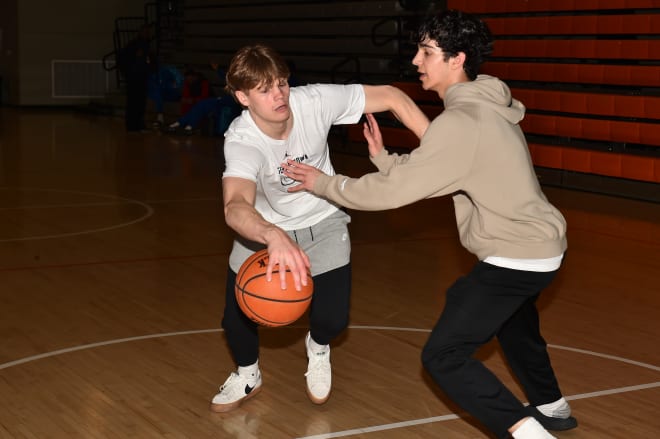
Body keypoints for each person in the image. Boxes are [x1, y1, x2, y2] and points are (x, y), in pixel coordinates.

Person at [282, 9, 577, 439]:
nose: (417, 62)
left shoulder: (463, 121)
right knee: (512, 321)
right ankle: (553, 405)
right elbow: (443, 170)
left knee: (444, 355)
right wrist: (385, 160)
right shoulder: (484, 105)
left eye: (427, 52)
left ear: (457, 59)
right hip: (540, 247)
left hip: (518, 253)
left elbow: (391, 193)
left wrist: (325, 183)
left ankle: (528, 432)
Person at [211, 44, 429, 413]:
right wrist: (271, 235)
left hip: (323, 218)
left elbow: (392, 96)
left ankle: (319, 346)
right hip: (266, 231)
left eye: (281, 82)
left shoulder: (314, 101)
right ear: (242, 97)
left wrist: (440, 148)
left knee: (333, 318)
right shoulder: (242, 139)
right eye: (264, 89)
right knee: (237, 317)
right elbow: (235, 206)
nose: (279, 94)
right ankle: (248, 374)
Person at [117, 24, 155, 132]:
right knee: (133, 102)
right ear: (140, 32)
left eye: (148, 32)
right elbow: (122, 59)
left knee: (141, 102)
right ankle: (132, 125)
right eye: (145, 32)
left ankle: (139, 124)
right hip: (134, 78)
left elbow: (151, 61)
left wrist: (150, 67)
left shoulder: (147, 46)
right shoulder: (133, 45)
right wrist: (127, 73)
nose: (147, 34)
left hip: (143, 77)